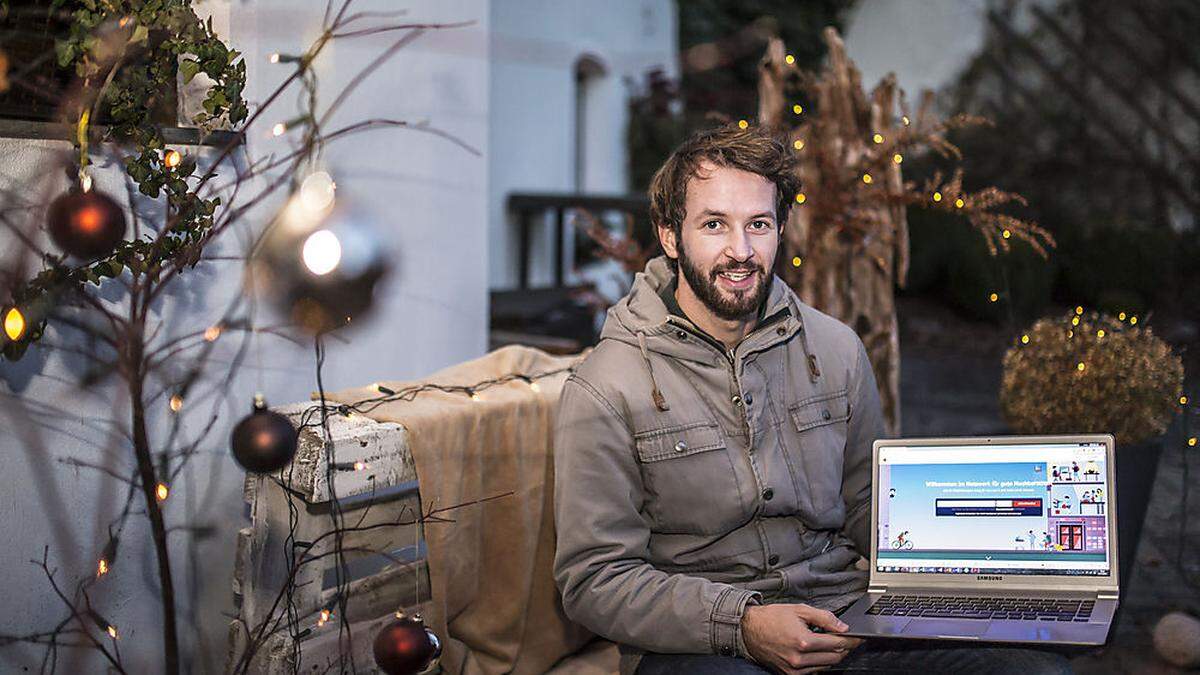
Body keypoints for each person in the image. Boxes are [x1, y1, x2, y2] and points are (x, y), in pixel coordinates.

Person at [552, 125, 1071, 675]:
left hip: (846, 622)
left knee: (1036, 668)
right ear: (670, 236)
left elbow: (872, 505)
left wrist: (997, 552)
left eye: (758, 224)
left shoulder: (836, 348)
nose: (741, 251)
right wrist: (744, 625)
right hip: (706, 647)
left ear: (780, 230)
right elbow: (594, 580)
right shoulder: (605, 386)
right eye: (713, 225)